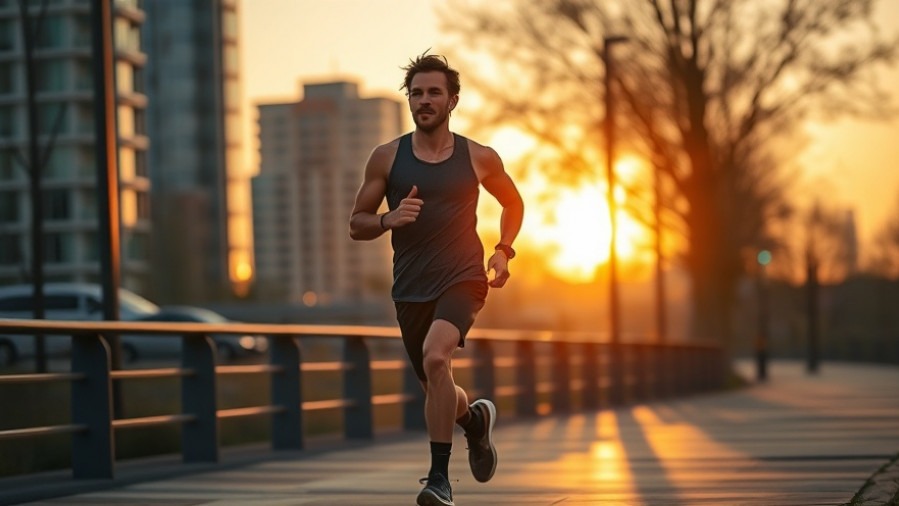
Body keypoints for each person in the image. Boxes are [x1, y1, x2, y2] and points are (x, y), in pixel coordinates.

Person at [349, 52, 524, 506]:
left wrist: (503, 250)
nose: (424, 101)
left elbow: (513, 203)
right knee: (437, 381)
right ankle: (475, 422)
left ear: (452, 101)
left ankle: (439, 480)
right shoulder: (386, 157)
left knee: (435, 356)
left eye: (434, 93)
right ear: (409, 100)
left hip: (463, 278)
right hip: (410, 288)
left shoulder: (478, 156)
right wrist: (389, 220)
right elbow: (357, 223)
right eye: (417, 93)